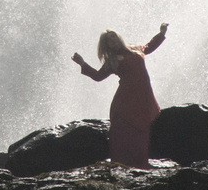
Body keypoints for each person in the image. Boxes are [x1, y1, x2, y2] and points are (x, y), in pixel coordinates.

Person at [71, 23, 168, 168]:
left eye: (114, 37)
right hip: (125, 102)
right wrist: (82, 63)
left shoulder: (134, 48)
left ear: (118, 38)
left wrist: (161, 34)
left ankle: (141, 164)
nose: (113, 41)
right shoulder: (112, 60)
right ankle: (122, 165)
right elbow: (98, 76)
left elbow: (148, 47)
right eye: (109, 40)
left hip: (142, 97)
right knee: (125, 133)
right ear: (106, 46)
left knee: (142, 129)